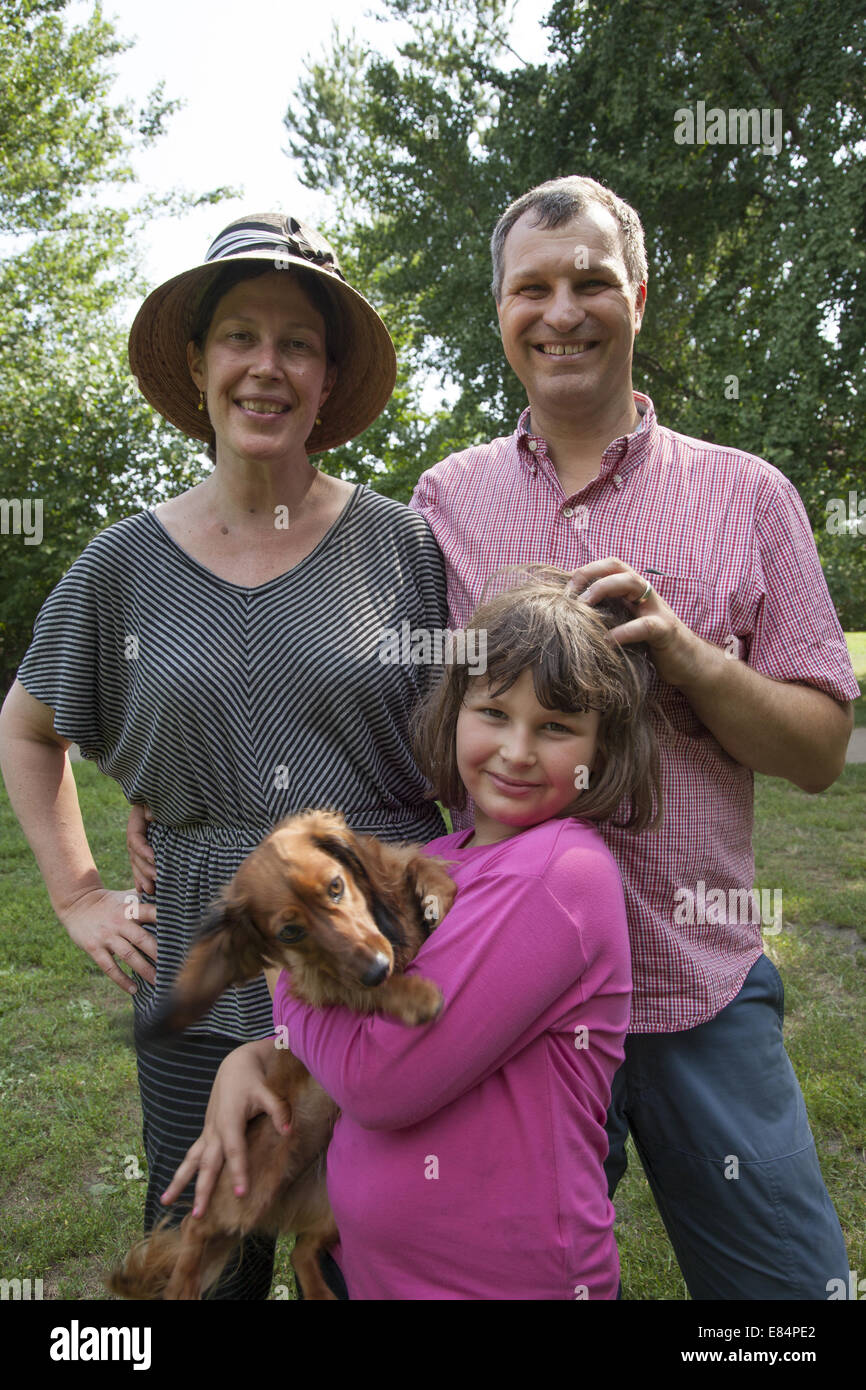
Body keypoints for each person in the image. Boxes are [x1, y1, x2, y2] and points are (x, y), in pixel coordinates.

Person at [406, 176, 859, 1299]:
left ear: (638, 298)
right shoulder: (441, 501)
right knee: (514, 1283)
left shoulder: (746, 493)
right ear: (500, 311)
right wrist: (175, 799)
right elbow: (392, 712)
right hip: (514, 996)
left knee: (785, 1305)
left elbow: (815, 750)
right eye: (532, 287)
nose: (561, 309)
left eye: (591, 281)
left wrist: (685, 655)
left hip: (696, 983)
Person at [0, 213, 448, 1300]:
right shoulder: (121, 565)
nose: (266, 365)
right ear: (197, 365)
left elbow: (473, 749)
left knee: (367, 1248)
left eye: (296, 342)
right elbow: (26, 724)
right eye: (239, 336)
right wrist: (79, 896)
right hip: (207, 946)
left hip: (371, 950)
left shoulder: (404, 548)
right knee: (208, 1243)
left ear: (327, 376)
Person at [161, 569, 662, 1299]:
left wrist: (287, 973)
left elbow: (379, 1080)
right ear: (453, 711)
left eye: (555, 727)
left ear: (603, 750)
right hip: (381, 1273)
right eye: (494, 712)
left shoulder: (561, 873)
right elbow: (362, 1014)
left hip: (502, 1282)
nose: (518, 751)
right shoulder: (444, 863)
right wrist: (255, 1054)